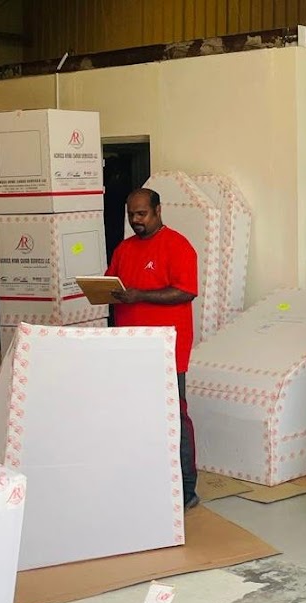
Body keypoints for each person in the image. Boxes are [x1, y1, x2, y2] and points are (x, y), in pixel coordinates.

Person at [106, 188, 200, 509]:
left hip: (166, 349)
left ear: (158, 210)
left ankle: (186, 490)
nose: (136, 220)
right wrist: (102, 290)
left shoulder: (178, 245)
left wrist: (140, 295)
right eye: (131, 215)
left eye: (142, 214)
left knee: (174, 415)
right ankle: (145, 481)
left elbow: (186, 291)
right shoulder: (124, 249)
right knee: (136, 416)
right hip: (129, 347)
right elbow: (113, 283)